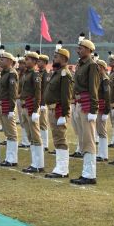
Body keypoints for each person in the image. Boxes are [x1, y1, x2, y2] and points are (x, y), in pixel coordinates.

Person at [70, 39, 101, 185]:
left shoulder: (92, 65)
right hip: (78, 103)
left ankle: (89, 174)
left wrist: (94, 109)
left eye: (81, 48)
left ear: (89, 50)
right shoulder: (81, 65)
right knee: (83, 140)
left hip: (87, 105)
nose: (78, 50)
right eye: (78, 48)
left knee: (88, 140)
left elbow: (93, 88)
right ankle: (85, 172)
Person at [44, 48, 74, 178]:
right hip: (52, 109)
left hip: (58, 110)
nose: (54, 58)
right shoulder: (57, 73)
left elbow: (66, 96)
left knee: (60, 139)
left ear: (64, 59)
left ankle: (62, 169)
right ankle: (59, 167)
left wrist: (64, 114)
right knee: (56, 139)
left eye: (56, 57)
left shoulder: (64, 74)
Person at [20, 51, 44, 173]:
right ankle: (34, 162)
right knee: (30, 136)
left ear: (35, 62)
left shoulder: (35, 74)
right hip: (24, 106)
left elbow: (38, 92)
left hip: (31, 106)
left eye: (28, 59)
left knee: (35, 135)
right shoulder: (26, 73)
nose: (26, 61)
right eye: (26, 59)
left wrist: (35, 110)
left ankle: (39, 164)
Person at [0, 52, 20, 167]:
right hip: (3, 104)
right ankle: (8, 157)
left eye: (3, 59)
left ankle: (12, 158)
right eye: (0, 59)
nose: (0, 61)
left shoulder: (12, 73)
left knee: (11, 133)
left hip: (8, 104)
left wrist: (11, 108)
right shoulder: (4, 73)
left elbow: (13, 92)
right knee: (7, 133)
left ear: (10, 61)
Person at [95, 60, 112, 162]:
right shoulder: (99, 78)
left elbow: (107, 96)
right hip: (99, 106)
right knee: (99, 131)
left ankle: (103, 154)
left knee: (102, 131)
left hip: (102, 107)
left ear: (102, 67)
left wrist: (106, 111)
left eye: (98, 67)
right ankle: (101, 153)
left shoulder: (105, 79)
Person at [37, 54, 52, 154]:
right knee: (38, 123)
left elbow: (45, 90)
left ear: (46, 63)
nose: (38, 63)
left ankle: (45, 144)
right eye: (38, 61)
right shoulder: (38, 73)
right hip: (37, 101)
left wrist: (43, 103)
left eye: (40, 61)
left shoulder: (46, 75)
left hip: (42, 102)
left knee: (43, 123)